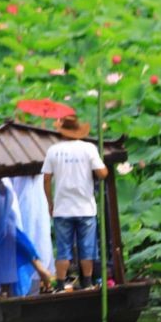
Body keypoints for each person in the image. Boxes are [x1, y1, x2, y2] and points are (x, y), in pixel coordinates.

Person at [41, 114, 108, 291]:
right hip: (86, 207)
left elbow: (46, 179)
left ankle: (61, 285)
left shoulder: (53, 151)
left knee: (63, 249)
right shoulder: (88, 148)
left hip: (62, 208)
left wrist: (50, 203)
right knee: (87, 248)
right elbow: (102, 173)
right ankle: (87, 283)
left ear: (62, 132)